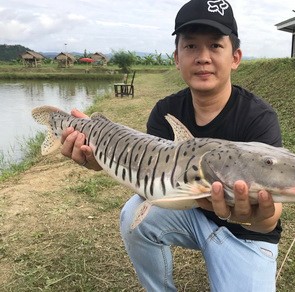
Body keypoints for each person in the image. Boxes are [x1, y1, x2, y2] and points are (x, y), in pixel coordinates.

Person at [61, 0, 283, 290]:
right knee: (134, 214)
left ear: (235, 57)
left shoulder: (259, 118)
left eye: (215, 45)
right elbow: (150, 182)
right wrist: (98, 158)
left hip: (245, 233)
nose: (203, 57)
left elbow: (269, 220)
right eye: (190, 46)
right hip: (189, 213)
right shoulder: (166, 111)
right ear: (176, 58)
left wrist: (256, 218)